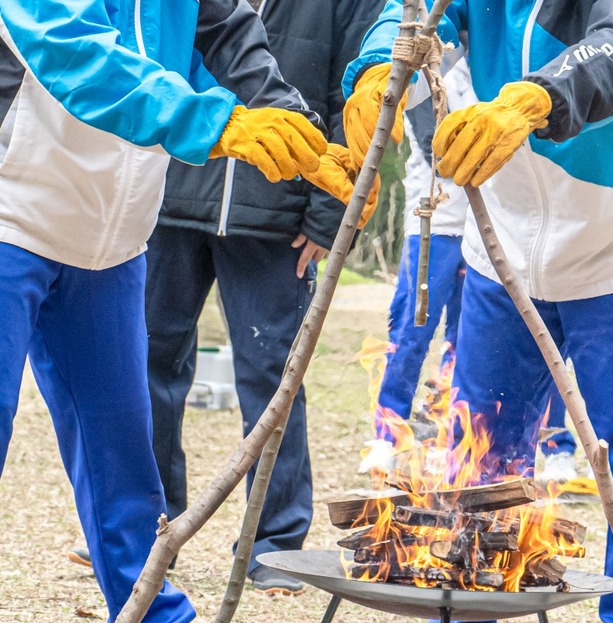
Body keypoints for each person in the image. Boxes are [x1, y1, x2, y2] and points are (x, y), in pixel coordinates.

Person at [0, 0, 361, 620]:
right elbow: (68, 46)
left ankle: (153, 612)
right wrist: (213, 121)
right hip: (12, 213)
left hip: (113, 241)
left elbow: (226, 31)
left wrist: (296, 126)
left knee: (125, 462)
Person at [343, 3, 613, 622]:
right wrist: (376, 70)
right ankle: (473, 608)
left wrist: (533, 100)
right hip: (502, 248)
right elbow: (413, 13)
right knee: (481, 462)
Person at [142, 0, 383, 595]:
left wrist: (331, 215)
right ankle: (143, 527)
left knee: (274, 377)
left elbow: (353, 94)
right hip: (170, 194)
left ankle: (274, 544)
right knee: (147, 363)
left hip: (277, 211)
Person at [360, 58, 473, 477]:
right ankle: (387, 435)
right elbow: (433, 141)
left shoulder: (498, 45)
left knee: (468, 338)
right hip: (433, 219)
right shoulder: (431, 47)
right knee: (410, 329)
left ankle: (451, 437)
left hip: (488, 227)